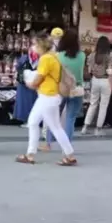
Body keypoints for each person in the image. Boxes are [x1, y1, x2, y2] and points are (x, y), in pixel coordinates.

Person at [15, 33, 77, 166]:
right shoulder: (53, 56)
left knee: (50, 126)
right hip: (50, 96)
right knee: (40, 124)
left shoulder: (45, 59)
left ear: (41, 46)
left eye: (35, 44)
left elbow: (39, 78)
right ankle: (32, 154)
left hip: (46, 97)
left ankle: (32, 155)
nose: (33, 47)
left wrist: (30, 84)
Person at [43, 29, 86, 150]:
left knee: (54, 116)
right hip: (77, 89)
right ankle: (67, 147)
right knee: (70, 118)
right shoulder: (82, 56)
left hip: (61, 89)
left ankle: (48, 143)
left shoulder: (58, 56)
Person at [81, 36, 112, 137]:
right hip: (105, 81)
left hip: (94, 80)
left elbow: (89, 70)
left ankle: (85, 127)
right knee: (103, 106)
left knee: (93, 104)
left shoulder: (91, 56)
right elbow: (110, 72)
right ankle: (98, 129)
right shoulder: (108, 57)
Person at [13, 45, 39, 126]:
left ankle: (27, 121)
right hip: (35, 84)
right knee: (34, 102)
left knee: (24, 103)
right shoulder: (41, 59)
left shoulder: (24, 58)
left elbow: (17, 68)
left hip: (24, 84)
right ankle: (35, 121)